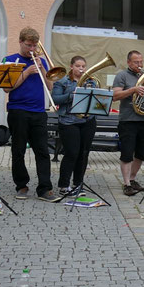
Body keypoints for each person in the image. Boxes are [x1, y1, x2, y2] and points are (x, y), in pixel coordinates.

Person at [5, 27, 58, 202]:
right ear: (20, 42)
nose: (32, 49)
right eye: (28, 45)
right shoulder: (10, 60)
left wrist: (42, 69)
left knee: (42, 151)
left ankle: (45, 188)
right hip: (18, 110)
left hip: (38, 112)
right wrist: (26, 72)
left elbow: (50, 87)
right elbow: (7, 88)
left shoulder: (41, 61)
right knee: (18, 150)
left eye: (35, 46)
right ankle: (21, 185)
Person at [50, 56, 98, 195]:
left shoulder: (90, 81)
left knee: (84, 153)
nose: (81, 69)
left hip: (87, 120)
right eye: (78, 66)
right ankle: (64, 186)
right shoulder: (62, 81)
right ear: (71, 66)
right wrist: (72, 95)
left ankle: (78, 184)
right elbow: (55, 98)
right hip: (68, 121)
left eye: (83, 66)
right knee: (72, 153)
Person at [112, 50, 144, 196]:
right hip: (128, 120)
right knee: (127, 153)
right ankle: (126, 183)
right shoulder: (122, 75)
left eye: (141, 62)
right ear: (129, 62)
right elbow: (115, 96)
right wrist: (134, 89)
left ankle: (133, 178)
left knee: (142, 153)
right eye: (136, 62)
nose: (140, 65)